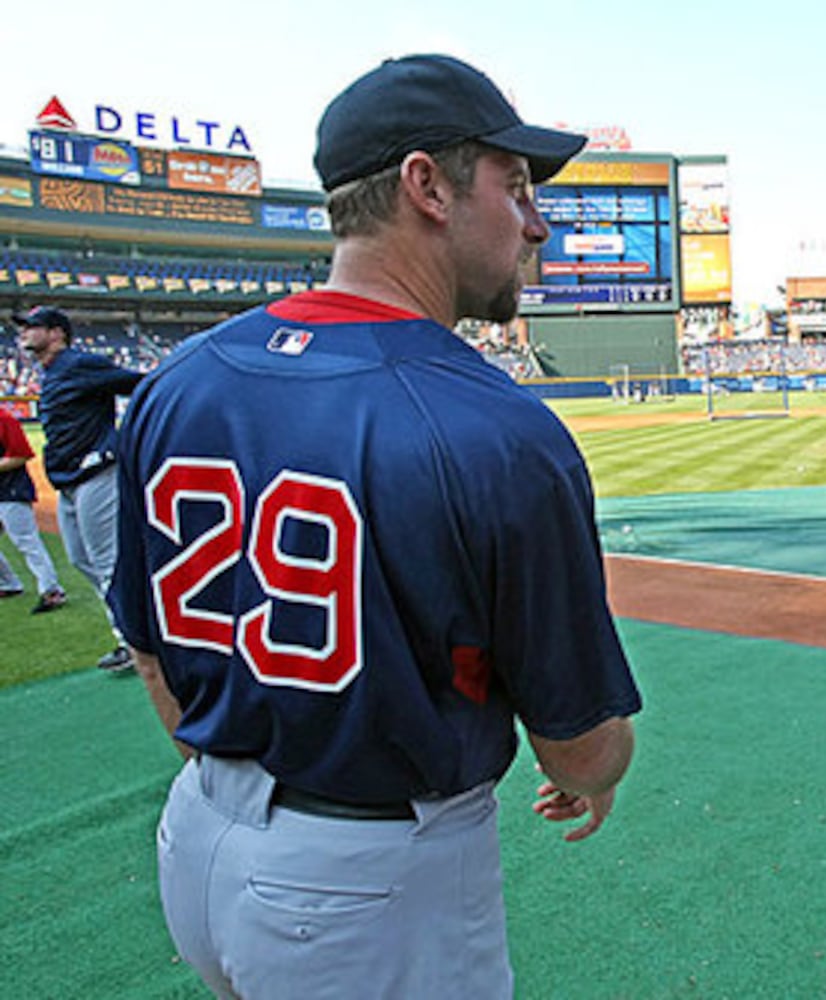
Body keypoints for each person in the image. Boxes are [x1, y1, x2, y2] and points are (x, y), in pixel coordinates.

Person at [105, 54, 641, 998]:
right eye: (513, 187)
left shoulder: (174, 381)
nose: (536, 222)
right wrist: (599, 770)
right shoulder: (498, 428)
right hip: (365, 884)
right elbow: (581, 744)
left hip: (196, 843)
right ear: (426, 185)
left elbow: (149, 650)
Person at [14, 305, 143, 670]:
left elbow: (140, 382)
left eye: (31, 326)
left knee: (107, 562)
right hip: (69, 482)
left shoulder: (78, 363)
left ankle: (134, 644)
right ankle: (134, 630)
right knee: (80, 558)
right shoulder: (53, 370)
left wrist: (122, 439)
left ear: (56, 333)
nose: (23, 333)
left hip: (97, 473)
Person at [0, 404, 66, 612]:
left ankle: (52, 590)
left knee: (26, 542)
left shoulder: (5, 420)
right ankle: (8, 584)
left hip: (11, 490)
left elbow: (21, 454)